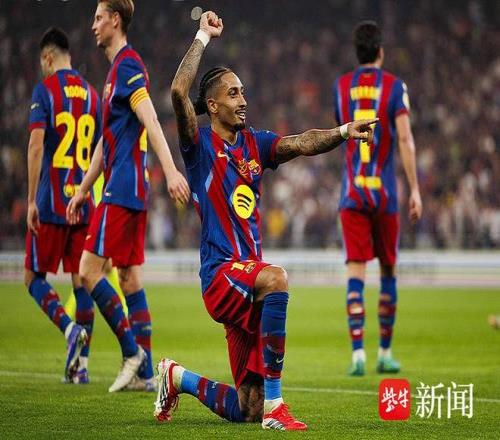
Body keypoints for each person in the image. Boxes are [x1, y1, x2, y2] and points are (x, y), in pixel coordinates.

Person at [153, 11, 376, 431]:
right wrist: (202, 35)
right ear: (213, 105)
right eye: (233, 93)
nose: (243, 101)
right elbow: (179, 91)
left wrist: (345, 131)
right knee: (277, 278)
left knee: (246, 408)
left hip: (247, 280)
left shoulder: (255, 144)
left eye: (244, 92)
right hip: (221, 274)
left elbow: (302, 142)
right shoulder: (198, 146)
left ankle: (177, 377)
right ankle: (277, 406)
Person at [67, 0, 190, 393]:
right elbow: (107, 143)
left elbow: (150, 117)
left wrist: (171, 170)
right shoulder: (115, 73)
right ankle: (146, 373)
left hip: (122, 187)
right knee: (129, 278)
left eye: (98, 18)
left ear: (115, 20)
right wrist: (82, 190)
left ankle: (131, 352)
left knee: (88, 271)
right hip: (129, 187)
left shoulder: (128, 66)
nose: (93, 25)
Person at [332, 21, 422, 376]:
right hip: (385, 195)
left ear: (357, 53)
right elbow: (405, 139)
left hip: (352, 192)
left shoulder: (341, 86)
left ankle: (358, 355)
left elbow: (343, 131)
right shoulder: (396, 87)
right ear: (381, 52)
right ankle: (384, 352)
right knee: (387, 270)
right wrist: (415, 189)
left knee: (355, 271)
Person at [25, 27, 100, 384]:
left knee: (32, 278)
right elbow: (101, 151)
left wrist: (30, 201)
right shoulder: (93, 95)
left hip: (52, 202)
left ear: (47, 57)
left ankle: (70, 330)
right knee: (82, 282)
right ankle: (80, 368)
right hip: (82, 203)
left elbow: (36, 146)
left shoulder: (45, 90)